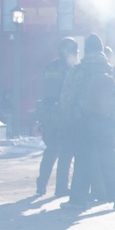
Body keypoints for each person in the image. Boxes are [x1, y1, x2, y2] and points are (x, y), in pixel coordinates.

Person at [61, 34, 115, 211]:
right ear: (101, 49)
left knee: (83, 161)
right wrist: (114, 114)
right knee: (110, 160)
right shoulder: (112, 70)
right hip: (106, 122)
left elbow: (67, 98)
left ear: (87, 50)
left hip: (83, 122)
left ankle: (77, 200)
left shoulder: (78, 70)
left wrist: (69, 118)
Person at [35, 37, 78, 197]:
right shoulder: (69, 68)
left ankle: (41, 184)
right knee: (66, 151)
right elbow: (71, 92)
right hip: (62, 114)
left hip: (47, 114)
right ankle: (61, 187)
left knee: (51, 150)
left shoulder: (50, 67)